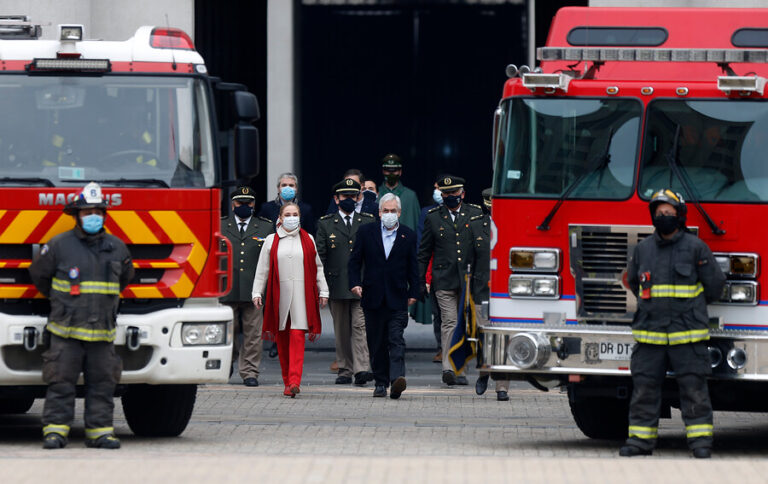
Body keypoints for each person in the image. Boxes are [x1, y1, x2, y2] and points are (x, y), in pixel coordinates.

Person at [619, 189, 725, 459]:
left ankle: (700, 443)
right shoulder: (643, 250)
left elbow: (715, 286)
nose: (663, 217)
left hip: (687, 337)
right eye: (659, 213)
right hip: (650, 338)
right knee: (644, 391)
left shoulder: (696, 248)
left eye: (668, 213)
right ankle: (639, 442)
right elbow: (633, 281)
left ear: (679, 216)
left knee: (694, 391)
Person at [29, 182, 134, 449]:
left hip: (102, 333)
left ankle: (100, 433)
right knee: (60, 383)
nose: (93, 217)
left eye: (98, 212)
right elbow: (40, 276)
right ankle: (55, 432)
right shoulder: (59, 246)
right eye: (87, 213)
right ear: (76, 216)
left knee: (103, 384)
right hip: (65, 331)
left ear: (104, 215)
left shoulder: (118, 248)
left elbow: (125, 279)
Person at [252, 202, 329, 397]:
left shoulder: (308, 239)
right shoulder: (271, 240)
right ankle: (287, 382)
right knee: (282, 339)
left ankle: (295, 381)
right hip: (279, 296)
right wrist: (257, 292)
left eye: (295, 214)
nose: (292, 217)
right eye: (288, 214)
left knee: (296, 336)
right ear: (280, 217)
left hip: (302, 297)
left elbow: (318, 267)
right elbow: (262, 270)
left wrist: (324, 291)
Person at [348, 193, 419, 399]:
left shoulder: (408, 235)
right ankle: (380, 382)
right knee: (376, 342)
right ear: (379, 213)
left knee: (396, 339)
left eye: (393, 211)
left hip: (397, 297)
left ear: (399, 213)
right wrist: (355, 283)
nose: (389, 214)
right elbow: (354, 261)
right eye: (385, 211)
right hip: (373, 296)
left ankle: (397, 379)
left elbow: (413, 267)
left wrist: (414, 291)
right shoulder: (366, 232)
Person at [418, 175, 482, 386]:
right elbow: (424, 251)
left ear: (462, 194)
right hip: (443, 279)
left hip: (468, 280)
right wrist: (420, 280)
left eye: (454, 193)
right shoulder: (433, 217)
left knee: (465, 324)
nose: (450, 197)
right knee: (449, 323)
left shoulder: (474, 213)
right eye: (446, 194)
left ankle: (461, 367)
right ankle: (449, 368)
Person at [317, 179, 376, 385]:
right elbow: (320, 257)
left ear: (359, 197)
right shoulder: (325, 223)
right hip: (337, 285)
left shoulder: (368, 221)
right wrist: (321, 286)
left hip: (362, 284)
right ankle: (344, 368)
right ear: (336, 199)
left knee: (360, 327)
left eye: (353, 196)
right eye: (345, 197)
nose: (349, 200)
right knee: (341, 329)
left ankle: (361, 369)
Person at [220, 186, 274, 387]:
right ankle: (226, 365)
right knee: (227, 332)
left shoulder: (265, 227)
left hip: (254, 289)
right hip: (227, 289)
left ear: (253, 204)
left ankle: (250, 371)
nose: (244, 206)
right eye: (239, 203)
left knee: (253, 334)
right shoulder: (220, 225)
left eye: (248, 203)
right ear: (232, 204)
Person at [471, 189, 511, 401]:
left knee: (503, 338)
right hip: (482, 291)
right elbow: (470, 261)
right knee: (485, 336)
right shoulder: (476, 225)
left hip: (506, 292)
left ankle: (502, 387)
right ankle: (485, 372)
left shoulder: (513, 224)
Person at [417, 178, 446, 363]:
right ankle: (441, 347)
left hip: (457, 273)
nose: (437, 192)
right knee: (439, 314)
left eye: (440, 189)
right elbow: (422, 246)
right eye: (435, 188)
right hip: (435, 271)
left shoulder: (469, 213)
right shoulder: (427, 213)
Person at [377, 154, 420, 231]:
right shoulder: (377, 194)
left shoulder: (410, 195)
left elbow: (418, 224)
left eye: (394, 170)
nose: (391, 174)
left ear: (400, 172)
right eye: (388, 170)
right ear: (383, 171)